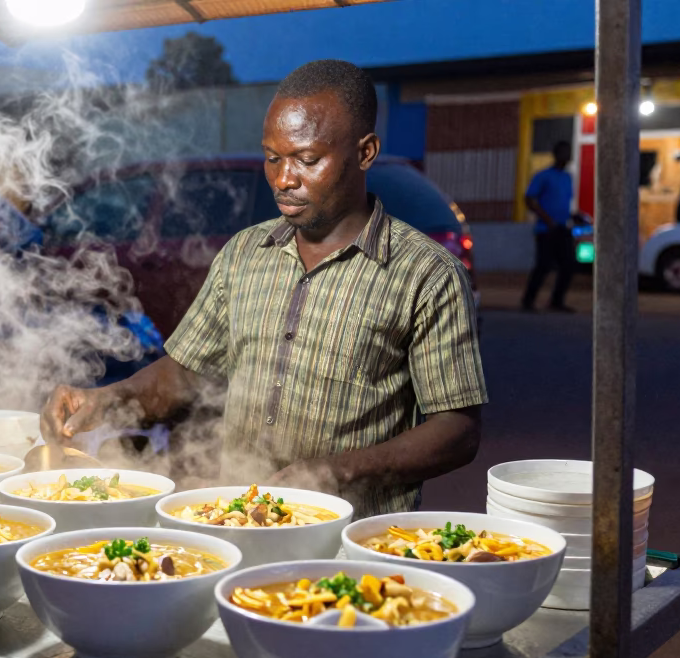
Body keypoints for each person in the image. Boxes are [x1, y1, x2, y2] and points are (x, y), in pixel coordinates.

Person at [39, 60, 486, 518]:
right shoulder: (244, 254)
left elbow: (456, 429)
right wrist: (107, 399)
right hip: (236, 518)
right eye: (273, 157)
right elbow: (185, 373)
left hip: (351, 537)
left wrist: (333, 472)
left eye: (307, 160)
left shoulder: (428, 275)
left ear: (365, 152)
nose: (284, 179)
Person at [521, 141, 576, 313]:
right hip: (546, 230)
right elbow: (529, 199)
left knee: (569, 264)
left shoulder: (568, 177)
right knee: (543, 265)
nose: (567, 156)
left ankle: (557, 301)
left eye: (568, 152)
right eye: (563, 152)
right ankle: (528, 301)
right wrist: (547, 219)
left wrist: (575, 217)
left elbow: (563, 203)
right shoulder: (543, 176)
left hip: (563, 227)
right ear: (556, 154)